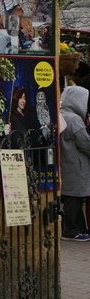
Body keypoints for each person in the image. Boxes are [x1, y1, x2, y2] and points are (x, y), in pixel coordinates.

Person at [59, 85, 90, 241]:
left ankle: (80, 229)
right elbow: (85, 143)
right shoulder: (74, 119)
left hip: (66, 164)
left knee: (74, 198)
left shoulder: (61, 115)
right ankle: (70, 230)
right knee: (75, 199)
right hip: (76, 166)